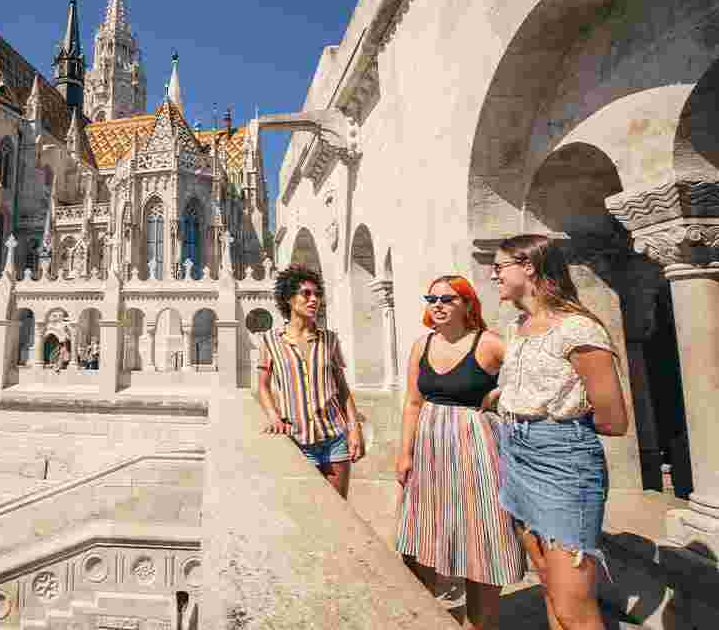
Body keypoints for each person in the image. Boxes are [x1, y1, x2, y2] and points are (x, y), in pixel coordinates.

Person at [492, 234, 628, 630]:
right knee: (550, 586)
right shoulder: (518, 326)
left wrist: (557, 426)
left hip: (562, 462)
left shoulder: (578, 329)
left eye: (500, 267)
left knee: (573, 606)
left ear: (529, 266)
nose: (494, 275)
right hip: (516, 455)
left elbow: (614, 419)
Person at [395, 275, 525, 630]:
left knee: (479, 539)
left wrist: (497, 395)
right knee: (421, 539)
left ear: (467, 304)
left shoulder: (489, 344)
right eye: (432, 299)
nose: (437, 305)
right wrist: (404, 454)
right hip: (429, 450)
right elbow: (412, 403)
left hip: (476, 450)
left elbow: (531, 375)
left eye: (448, 299)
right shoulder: (421, 346)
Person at [257, 265, 364, 498]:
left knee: (338, 510)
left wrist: (355, 430)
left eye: (317, 294)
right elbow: (263, 386)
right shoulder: (270, 341)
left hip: (335, 439)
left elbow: (342, 390)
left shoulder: (330, 339)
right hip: (298, 441)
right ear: (288, 299)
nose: (313, 299)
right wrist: (274, 417)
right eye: (306, 294)